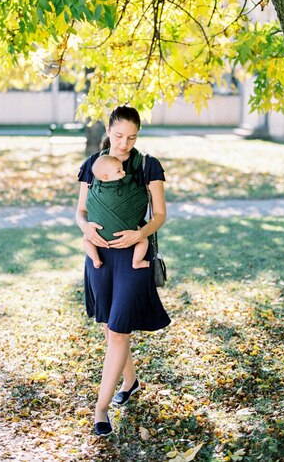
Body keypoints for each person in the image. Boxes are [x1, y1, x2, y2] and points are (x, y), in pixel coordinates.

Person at [75, 105, 170, 437]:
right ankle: (130, 381)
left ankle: (100, 410)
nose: (124, 143)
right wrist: (86, 229)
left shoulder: (147, 166)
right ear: (108, 130)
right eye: (118, 136)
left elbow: (159, 215)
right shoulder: (93, 164)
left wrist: (139, 234)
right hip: (100, 258)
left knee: (119, 331)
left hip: (133, 257)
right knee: (109, 327)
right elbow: (80, 212)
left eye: (131, 137)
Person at [83, 154, 150, 270]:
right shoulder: (127, 185)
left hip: (99, 234)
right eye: (119, 171)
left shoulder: (95, 188)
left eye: (123, 170)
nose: (124, 173)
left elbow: (89, 203)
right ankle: (137, 262)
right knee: (143, 239)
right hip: (125, 233)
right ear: (105, 177)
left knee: (85, 239)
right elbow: (141, 197)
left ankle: (95, 259)